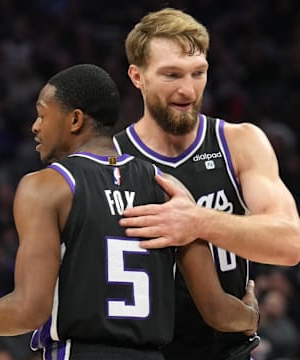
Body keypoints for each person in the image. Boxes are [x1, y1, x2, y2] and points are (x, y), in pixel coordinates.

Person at [0, 64, 259, 360]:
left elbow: (29, 310)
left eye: (42, 114)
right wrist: (250, 315)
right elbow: (217, 310)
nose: (35, 126)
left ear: (75, 120)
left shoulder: (47, 187)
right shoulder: (168, 187)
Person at [114, 7, 300, 360]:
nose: (187, 89)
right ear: (137, 77)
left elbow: (291, 242)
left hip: (227, 349)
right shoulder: (112, 158)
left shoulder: (240, 142)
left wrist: (197, 221)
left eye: (198, 73)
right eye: (171, 75)